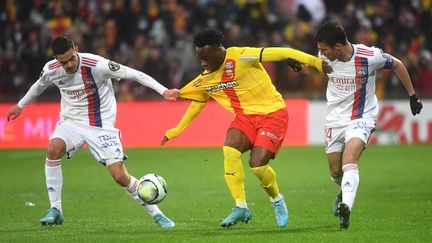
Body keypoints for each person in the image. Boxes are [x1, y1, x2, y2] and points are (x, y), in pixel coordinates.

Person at [161, 28, 332, 228]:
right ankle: (241, 206)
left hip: (273, 114)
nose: (203, 63)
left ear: (218, 49)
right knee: (229, 150)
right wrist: (177, 130)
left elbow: (285, 52)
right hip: (244, 118)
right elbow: (198, 101)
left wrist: (317, 63)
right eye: (200, 58)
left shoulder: (242, 56)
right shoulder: (206, 77)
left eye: (205, 57)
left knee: (257, 165)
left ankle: (277, 199)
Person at [6, 36, 179, 228]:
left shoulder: (97, 65)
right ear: (56, 58)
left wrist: (163, 91)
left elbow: (135, 74)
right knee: (53, 148)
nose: (69, 64)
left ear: (76, 49)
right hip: (71, 122)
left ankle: (156, 214)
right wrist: (20, 105)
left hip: (101, 126)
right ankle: (56, 209)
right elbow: (39, 86)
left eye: (72, 58)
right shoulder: (51, 69)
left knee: (120, 177)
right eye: (64, 62)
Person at [315, 20, 423, 229]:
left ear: (338, 46)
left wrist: (412, 95)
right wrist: (301, 68)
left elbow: (398, 65)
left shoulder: (369, 56)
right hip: (335, 119)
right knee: (335, 171)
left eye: (324, 49)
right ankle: (344, 191)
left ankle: (346, 206)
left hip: (361, 116)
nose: (321, 53)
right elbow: (315, 69)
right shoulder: (324, 57)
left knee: (349, 159)